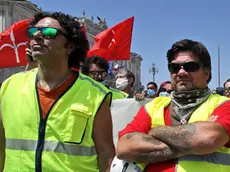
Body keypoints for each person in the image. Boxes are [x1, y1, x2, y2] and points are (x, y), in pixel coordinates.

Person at [0, 12, 115, 172]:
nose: (38, 36)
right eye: (33, 32)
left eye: (49, 33)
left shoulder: (96, 94)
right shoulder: (9, 86)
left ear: (70, 46)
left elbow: (106, 153)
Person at [116, 39, 230, 172]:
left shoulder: (224, 104)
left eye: (190, 66)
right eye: (174, 67)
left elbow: (207, 139)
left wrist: (154, 131)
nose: (181, 73)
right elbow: (124, 147)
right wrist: (191, 145)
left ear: (206, 73)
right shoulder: (154, 107)